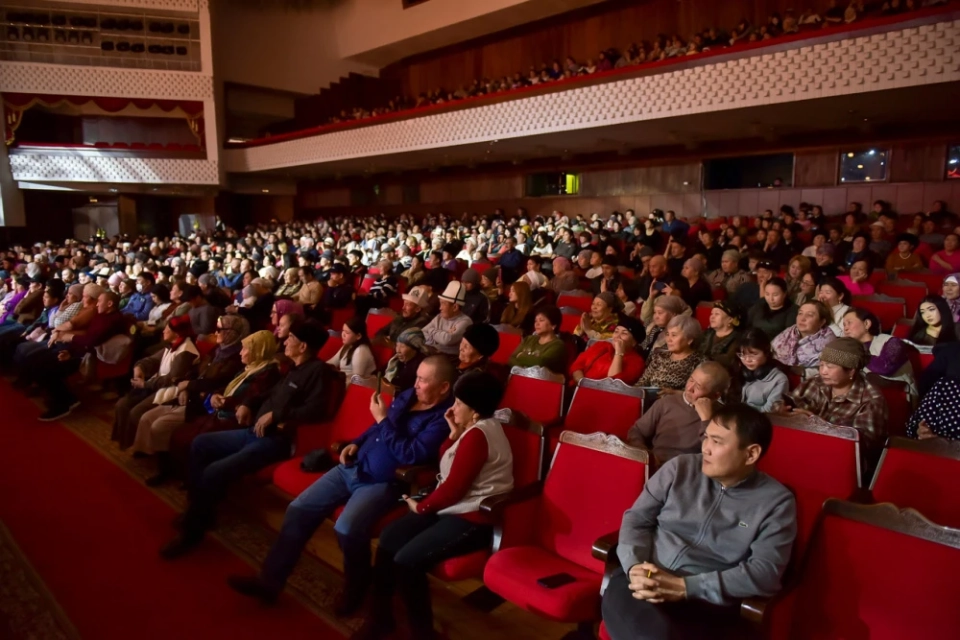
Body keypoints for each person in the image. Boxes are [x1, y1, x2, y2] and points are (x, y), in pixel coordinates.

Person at [226, 356, 455, 616]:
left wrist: (383, 420)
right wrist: (356, 442)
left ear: (443, 387)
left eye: (423, 380)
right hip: (353, 466)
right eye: (417, 378)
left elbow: (411, 454)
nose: (416, 384)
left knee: (346, 529)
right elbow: (376, 428)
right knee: (298, 510)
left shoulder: (442, 419)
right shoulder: (408, 396)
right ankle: (269, 583)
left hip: (384, 482)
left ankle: (357, 586)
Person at [602, 404, 796, 640]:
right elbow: (637, 519)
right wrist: (634, 567)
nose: (705, 448)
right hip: (644, 579)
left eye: (717, 441)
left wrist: (686, 587)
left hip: (705, 601)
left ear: (751, 454)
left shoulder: (776, 502)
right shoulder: (679, 468)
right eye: (706, 437)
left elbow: (766, 572)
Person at [354, 371, 513, 640]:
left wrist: (422, 507)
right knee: (390, 538)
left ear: (475, 411)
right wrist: (453, 434)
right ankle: (380, 617)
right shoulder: (472, 429)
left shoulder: (479, 435)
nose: (453, 408)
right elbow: (448, 464)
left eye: (459, 403)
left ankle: (422, 632)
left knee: (407, 562)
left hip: (472, 518)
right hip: (452, 506)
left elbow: (453, 489)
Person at [160, 319, 332, 559]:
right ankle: (200, 512)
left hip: (275, 440)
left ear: (303, 346)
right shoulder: (293, 367)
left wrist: (277, 415)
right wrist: (248, 403)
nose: (285, 341)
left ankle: (192, 532)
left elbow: (315, 410)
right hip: (252, 431)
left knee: (214, 471)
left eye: (291, 338)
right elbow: (270, 393)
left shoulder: (318, 372)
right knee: (200, 444)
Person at [132, 314, 248, 485]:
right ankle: (157, 458)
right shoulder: (218, 350)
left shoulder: (235, 359)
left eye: (219, 329)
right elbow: (197, 372)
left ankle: (166, 469)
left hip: (204, 404)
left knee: (159, 425)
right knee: (148, 417)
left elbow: (217, 382)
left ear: (232, 333)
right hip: (192, 396)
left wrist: (189, 386)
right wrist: (186, 386)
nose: (215, 333)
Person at [168, 330, 282, 479]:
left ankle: (195, 480)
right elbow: (228, 386)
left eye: (245, 349)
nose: (241, 353)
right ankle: (184, 477)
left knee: (194, 439)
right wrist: (216, 394)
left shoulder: (267, 373)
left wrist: (223, 402)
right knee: (180, 434)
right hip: (222, 413)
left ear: (258, 350)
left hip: (235, 420)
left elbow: (250, 397)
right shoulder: (250, 367)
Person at [781, 337, 888, 472]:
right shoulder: (816, 382)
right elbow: (792, 402)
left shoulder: (871, 400)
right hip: (804, 449)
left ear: (851, 371)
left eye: (830, 367)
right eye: (821, 365)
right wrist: (782, 410)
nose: (823, 371)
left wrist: (816, 424)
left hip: (840, 463)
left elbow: (865, 446)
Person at [30, 291, 127, 420]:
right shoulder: (101, 316)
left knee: (49, 368)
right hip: (83, 351)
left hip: (94, 358)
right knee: (40, 360)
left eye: (99, 301)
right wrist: (70, 352)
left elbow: (91, 341)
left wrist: (71, 338)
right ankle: (64, 398)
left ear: (109, 304)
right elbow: (87, 337)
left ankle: (64, 404)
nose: (97, 304)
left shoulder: (113, 320)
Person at [112, 315, 200, 449]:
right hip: (157, 384)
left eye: (167, 329)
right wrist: (139, 367)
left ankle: (138, 445)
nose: (163, 331)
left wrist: (145, 384)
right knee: (122, 404)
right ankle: (124, 440)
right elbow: (152, 360)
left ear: (176, 333)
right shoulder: (172, 344)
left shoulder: (185, 352)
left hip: (169, 389)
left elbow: (171, 379)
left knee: (136, 412)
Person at [627, 361, 730, 468]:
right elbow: (637, 431)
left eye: (698, 387)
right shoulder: (666, 403)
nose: (689, 388)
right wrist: (646, 455)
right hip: (658, 466)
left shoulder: (723, 416)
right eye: (691, 380)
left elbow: (716, 455)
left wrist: (706, 420)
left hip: (692, 470)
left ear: (715, 396)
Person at [842, 307, 915, 396]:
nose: (845, 328)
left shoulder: (892, 342)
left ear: (866, 324)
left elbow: (884, 367)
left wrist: (856, 352)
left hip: (897, 395)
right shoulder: (849, 348)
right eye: (844, 325)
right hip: (862, 395)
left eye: (849, 323)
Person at [570, 317, 646, 385]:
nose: (617, 336)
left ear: (634, 342)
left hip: (602, 393)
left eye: (624, 333)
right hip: (579, 386)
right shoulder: (602, 345)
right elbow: (578, 364)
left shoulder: (636, 362)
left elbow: (612, 384)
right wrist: (581, 382)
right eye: (616, 331)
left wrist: (619, 353)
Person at [636, 316, 704, 391]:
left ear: (689, 340)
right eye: (667, 334)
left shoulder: (699, 362)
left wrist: (675, 393)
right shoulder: (660, 356)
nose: (669, 339)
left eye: (674, 335)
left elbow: (695, 391)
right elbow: (642, 382)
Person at [771, 300, 835, 374]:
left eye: (809, 315)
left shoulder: (830, 344)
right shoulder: (788, 332)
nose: (802, 319)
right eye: (800, 313)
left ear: (821, 322)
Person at [738, 328, 789, 412]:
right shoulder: (739, 370)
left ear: (766, 352)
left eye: (753, 354)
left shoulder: (779, 379)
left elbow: (770, 412)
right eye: (743, 354)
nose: (747, 360)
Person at [508, 305, 567, 374]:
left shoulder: (557, 345)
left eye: (541, 320)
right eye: (535, 321)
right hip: (520, 376)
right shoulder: (529, 339)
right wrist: (523, 370)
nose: (537, 324)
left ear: (553, 325)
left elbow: (541, 362)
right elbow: (512, 358)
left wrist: (521, 356)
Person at [423, 281, 473, 356]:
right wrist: (440, 337)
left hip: (450, 358)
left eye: (443, 304)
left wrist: (431, 331)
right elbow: (422, 332)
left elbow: (447, 340)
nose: (440, 308)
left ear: (455, 307)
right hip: (434, 353)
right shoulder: (439, 317)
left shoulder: (465, 322)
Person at [638, 296, 689, 360]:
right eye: (655, 312)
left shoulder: (675, 336)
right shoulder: (650, 325)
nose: (656, 316)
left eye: (660, 313)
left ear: (673, 314)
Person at [382, 327, 431, 394]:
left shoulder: (420, 366)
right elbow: (380, 373)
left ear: (415, 348)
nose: (398, 350)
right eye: (397, 345)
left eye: (402, 346)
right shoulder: (396, 360)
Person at [328, 316, 376, 382]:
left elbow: (357, 380)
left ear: (358, 336)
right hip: (343, 381)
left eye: (347, 333)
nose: (343, 335)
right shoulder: (348, 345)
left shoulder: (360, 351)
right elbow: (332, 363)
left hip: (354, 384)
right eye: (343, 331)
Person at [699, 300, 742, 369]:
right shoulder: (707, 333)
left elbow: (729, 360)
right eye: (711, 314)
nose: (712, 317)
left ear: (730, 319)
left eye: (717, 314)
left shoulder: (737, 339)